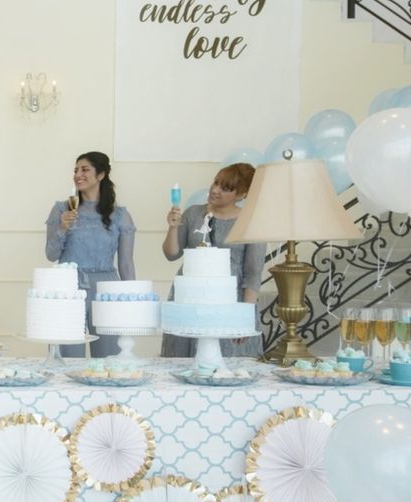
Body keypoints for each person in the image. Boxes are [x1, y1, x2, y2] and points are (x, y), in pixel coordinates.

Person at [160, 162, 264, 358]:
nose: (215, 190)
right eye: (216, 183)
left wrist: (244, 317)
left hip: (230, 301)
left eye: (225, 188)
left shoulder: (250, 221)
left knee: (225, 361)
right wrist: (173, 227)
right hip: (191, 300)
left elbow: (253, 273)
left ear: (241, 194)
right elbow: (171, 254)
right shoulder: (193, 213)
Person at [44, 151, 136, 358]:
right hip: (68, 288)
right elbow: (51, 254)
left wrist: (131, 303)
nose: (78, 175)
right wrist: (62, 227)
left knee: (109, 358)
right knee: (67, 357)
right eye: (76, 170)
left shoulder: (120, 215)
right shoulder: (61, 210)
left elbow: (126, 264)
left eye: (85, 170)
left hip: (107, 290)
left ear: (100, 175)